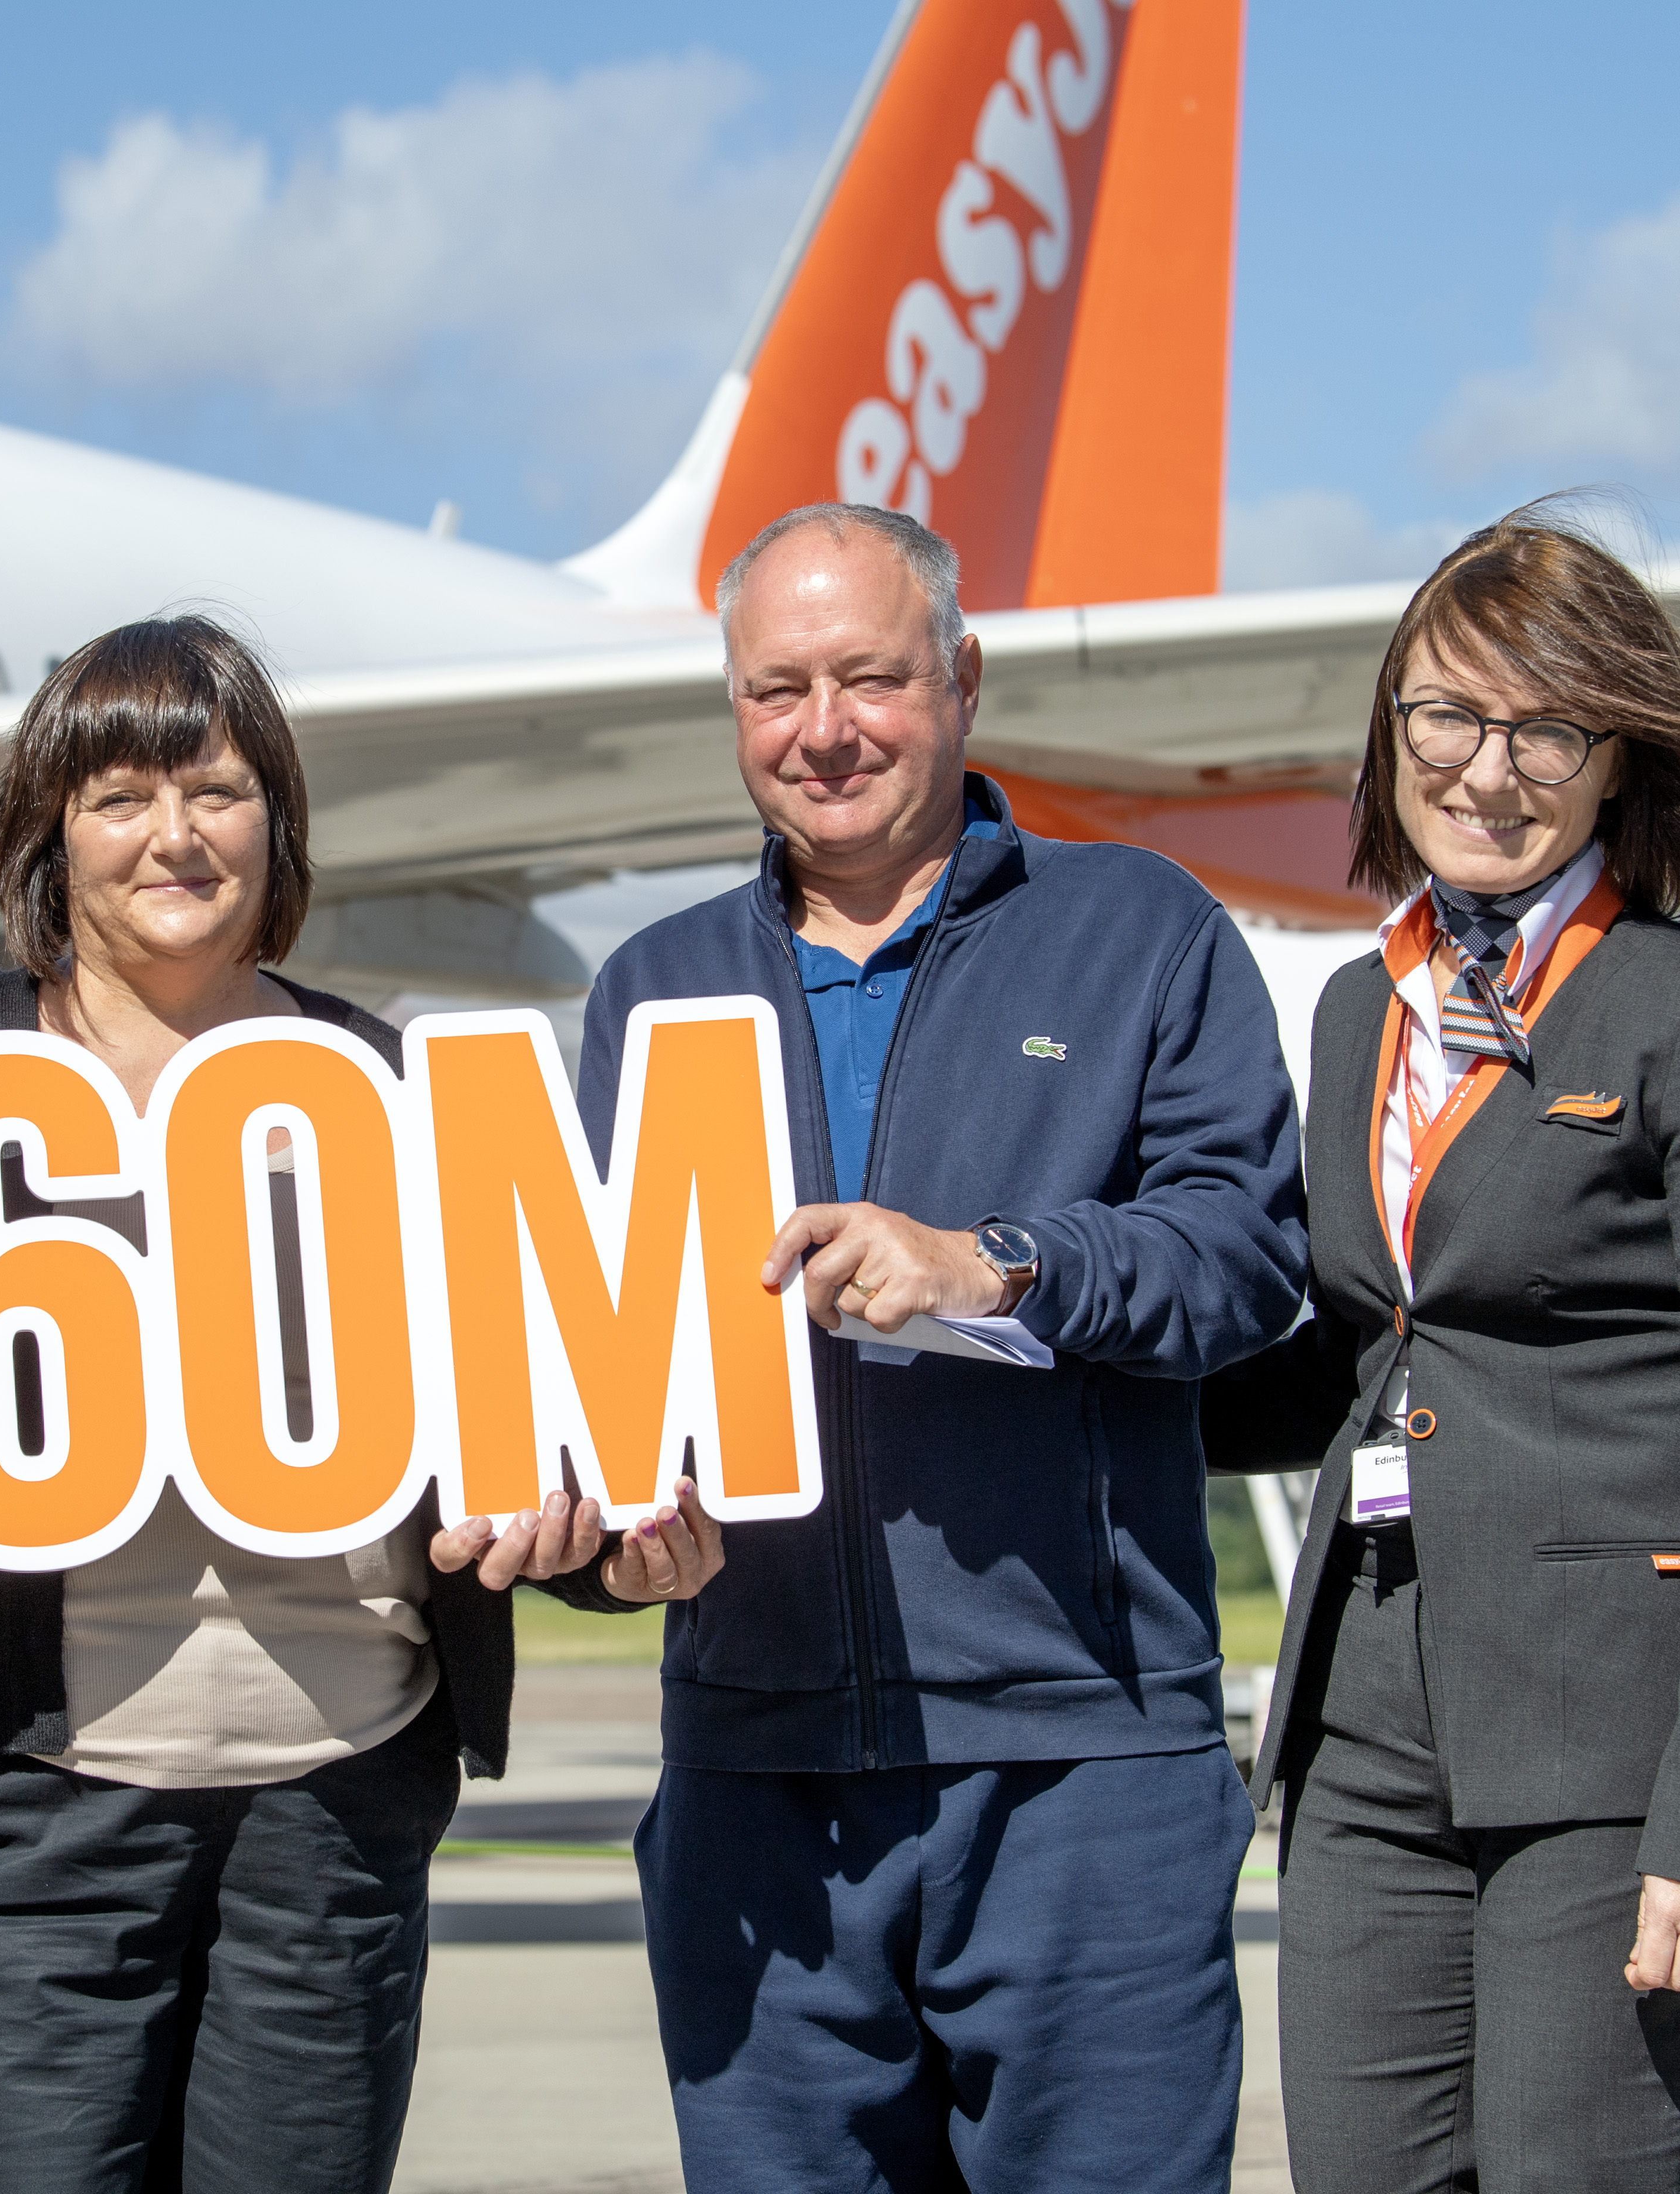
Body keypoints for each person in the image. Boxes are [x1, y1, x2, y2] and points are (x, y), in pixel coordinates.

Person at [0, 612, 722, 2194]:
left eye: (217, 790)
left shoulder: (394, 1092)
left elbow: (534, 1420)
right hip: (23, 1810)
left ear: (279, 824)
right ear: (51, 830)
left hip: (338, 1801)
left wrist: (617, 1552)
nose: (173, 836)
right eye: (120, 795)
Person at [550, 503, 1309, 2190]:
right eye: (778, 690)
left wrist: (995, 1267)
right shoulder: (652, 986)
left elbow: (1248, 1261)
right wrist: (610, 1549)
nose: (824, 730)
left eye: (871, 678)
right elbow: (605, 1363)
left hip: (1081, 1765)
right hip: (756, 1778)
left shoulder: (1142, 930)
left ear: (963, 680)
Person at [1202, 502, 1680, 2192]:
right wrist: (1026, 1339)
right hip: (1366, 1729)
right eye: (1447, 717)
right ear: (1390, 730)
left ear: (1617, 762)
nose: (1487, 772)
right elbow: (1357, 1353)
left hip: (1612, 1752)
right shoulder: (1361, 1007)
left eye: (1546, 730)